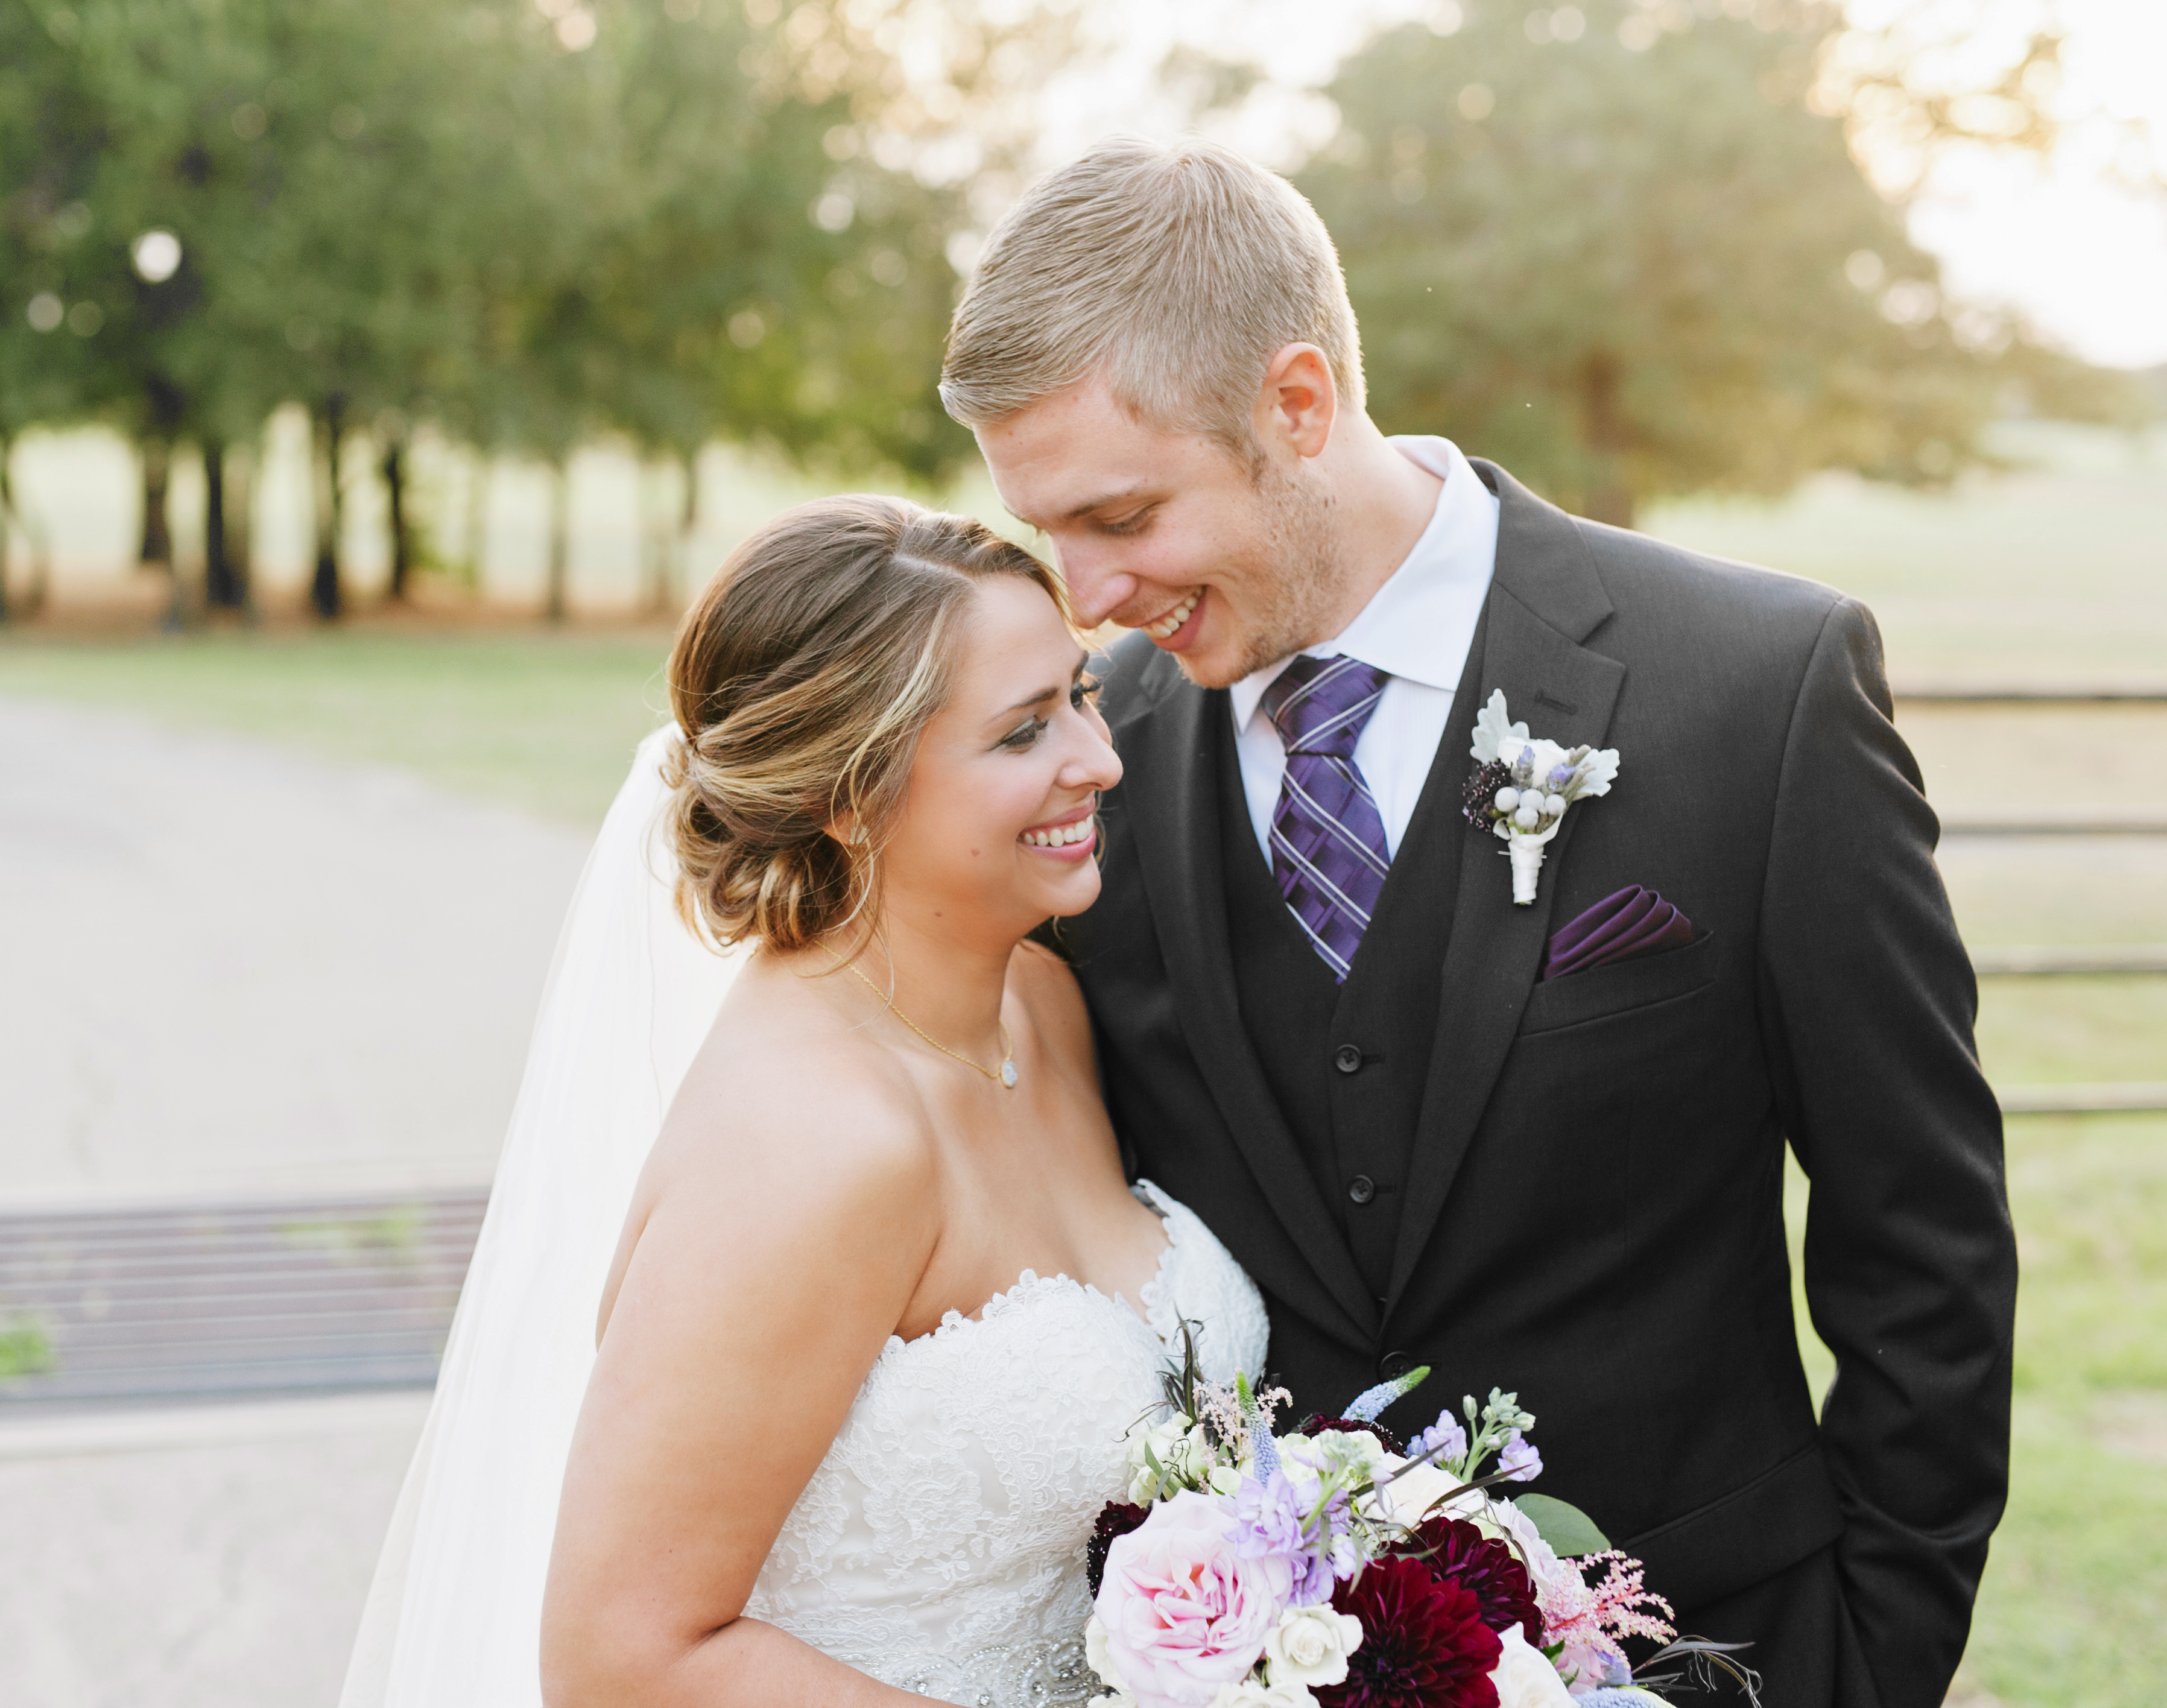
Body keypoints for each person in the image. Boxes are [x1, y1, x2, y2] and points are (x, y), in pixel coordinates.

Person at [937, 136, 2016, 1708]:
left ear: (1297, 407)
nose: (1089, 597)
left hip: (1722, 1645)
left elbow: (1923, 1247)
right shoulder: (1099, 763)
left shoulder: (1755, 693)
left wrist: (1872, 1663)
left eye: (1123, 514)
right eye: (1055, 534)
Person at [343, 496, 1267, 1708]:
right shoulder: (817, 1146)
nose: (1097, 759)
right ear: (847, 794)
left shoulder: (1037, 1005)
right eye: (1020, 733)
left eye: (1082, 694)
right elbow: (622, 1657)